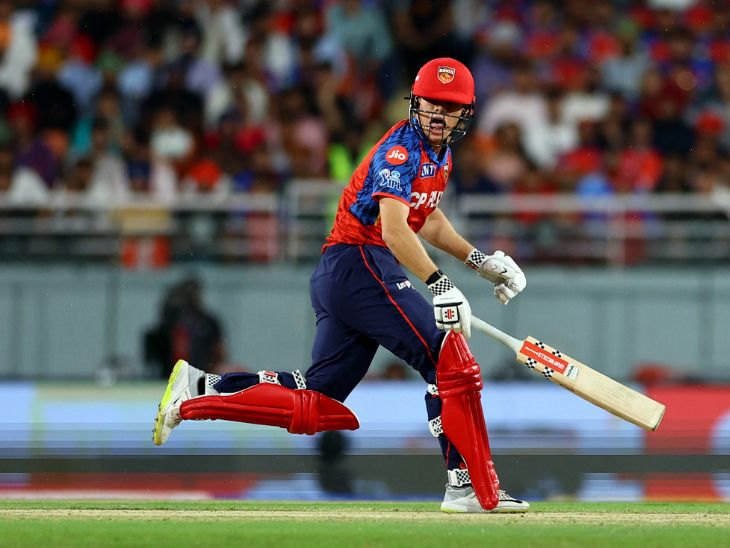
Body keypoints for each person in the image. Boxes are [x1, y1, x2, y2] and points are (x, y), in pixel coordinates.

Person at [152, 58, 528, 514]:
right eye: (431, 103)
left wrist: (480, 262)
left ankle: (199, 388)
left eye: (449, 108)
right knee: (446, 359)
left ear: (464, 114)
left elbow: (425, 217)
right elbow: (394, 230)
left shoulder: (439, 155)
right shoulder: (401, 151)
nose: (438, 114)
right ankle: (465, 487)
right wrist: (439, 283)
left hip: (345, 272)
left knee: (318, 400)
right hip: (361, 262)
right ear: (415, 102)